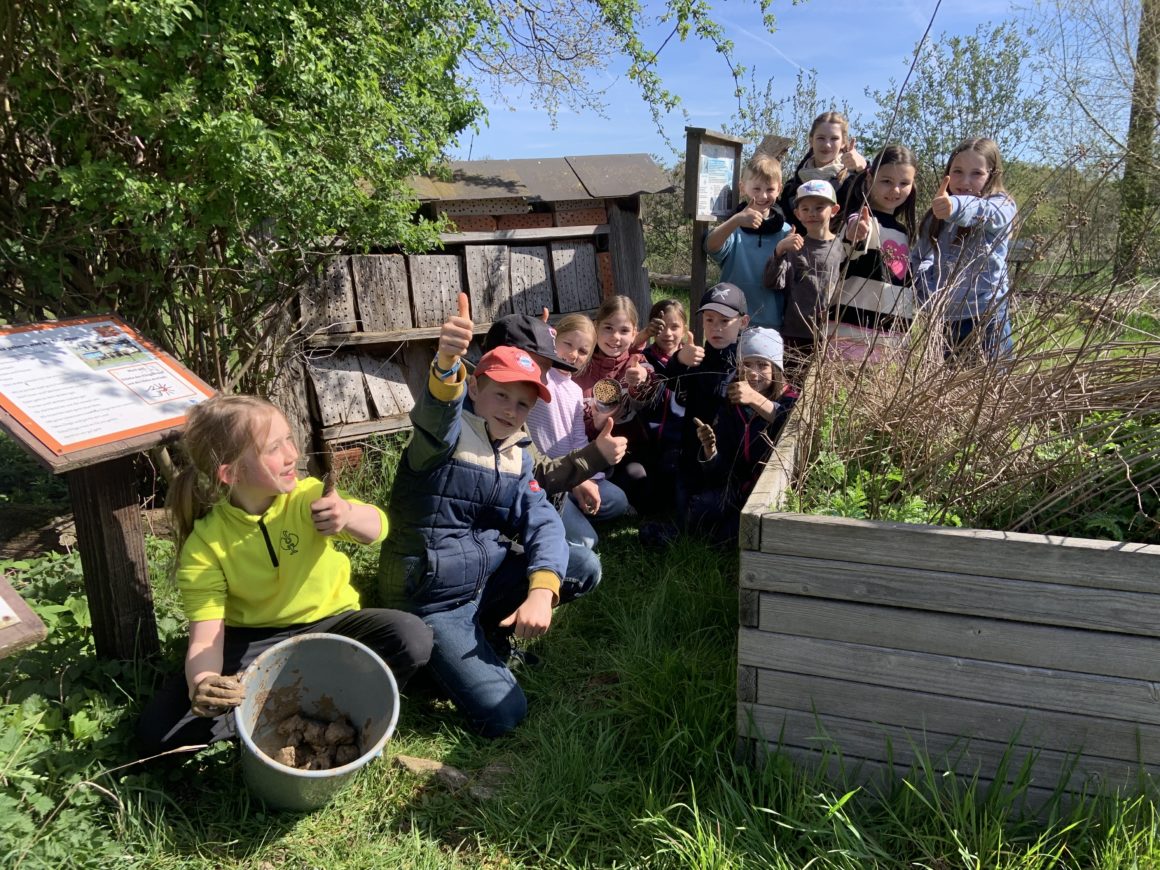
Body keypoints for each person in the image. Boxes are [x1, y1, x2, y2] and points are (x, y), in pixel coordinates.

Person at [137, 395, 432, 756]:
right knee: (156, 736)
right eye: (274, 448)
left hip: (332, 624)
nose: (292, 454)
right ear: (231, 473)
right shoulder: (206, 544)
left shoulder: (308, 497)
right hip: (256, 644)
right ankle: (316, 697)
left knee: (411, 636)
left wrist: (348, 515)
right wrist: (204, 682)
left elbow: (378, 529)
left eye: (289, 439)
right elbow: (206, 638)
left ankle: (278, 704)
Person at [377, 294, 579, 737]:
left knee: (578, 564)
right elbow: (436, 411)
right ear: (475, 388)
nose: (510, 410)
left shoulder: (516, 451)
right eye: (501, 395)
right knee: (503, 715)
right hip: (431, 595)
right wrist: (447, 362)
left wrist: (543, 590)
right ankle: (431, 662)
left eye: (523, 404)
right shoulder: (444, 438)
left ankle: (487, 633)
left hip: (481, 579)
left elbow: (542, 518)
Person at [525, 313, 629, 551]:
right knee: (587, 541)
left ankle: (570, 510)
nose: (573, 355)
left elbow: (578, 438)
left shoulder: (574, 390)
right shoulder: (540, 376)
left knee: (617, 501)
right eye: (567, 344)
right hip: (546, 478)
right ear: (554, 340)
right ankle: (551, 516)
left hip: (572, 473)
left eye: (582, 351)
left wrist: (585, 478)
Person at [688, 327, 798, 546]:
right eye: (747, 364)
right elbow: (722, 473)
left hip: (768, 493)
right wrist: (710, 450)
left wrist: (754, 399)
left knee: (732, 536)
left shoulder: (791, 399)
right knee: (699, 510)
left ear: (776, 368)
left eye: (762, 365)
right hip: (737, 489)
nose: (753, 372)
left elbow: (787, 423)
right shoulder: (731, 405)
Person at [913, 138, 1018, 361]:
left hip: (987, 317)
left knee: (990, 390)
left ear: (992, 175)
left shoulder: (1001, 204)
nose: (965, 181)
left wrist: (956, 207)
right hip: (946, 320)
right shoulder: (937, 215)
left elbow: (987, 212)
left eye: (977, 174)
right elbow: (922, 256)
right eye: (957, 171)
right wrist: (928, 290)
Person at [829, 145, 920, 363]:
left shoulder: (907, 233)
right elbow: (848, 245)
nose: (895, 190)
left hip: (891, 338)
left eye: (904, 183)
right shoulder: (862, 219)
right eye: (886, 181)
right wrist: (855, 232)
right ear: (869, 180)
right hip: (849, 332)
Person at [573, 295, 657, 512]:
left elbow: (647, 390)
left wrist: (640, 380)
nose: (615, 337)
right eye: (608, 328)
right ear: (596, 327)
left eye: (624, 331)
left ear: (634, 334)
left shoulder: (636, 363)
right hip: (583, 450)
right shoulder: (580, 362)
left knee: (638, 479)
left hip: (623, 454)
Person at [762, 178, 845, 383]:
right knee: (793, 390)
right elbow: (772, 282)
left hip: (832, 336)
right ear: (797, 213)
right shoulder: (794, 246)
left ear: (834, 209)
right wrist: (780, 250)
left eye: (819, 207)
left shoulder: (842, 247)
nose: (812, 213)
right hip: (795, 334)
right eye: (805, 208)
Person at [704, 152, 793, 329]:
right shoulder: (733, 227)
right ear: (742, 187)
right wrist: (736, 220)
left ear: (779, 189)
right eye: (756, 189)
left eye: (770, 189)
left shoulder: (785, 231)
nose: (763, 195)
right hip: (730, 319)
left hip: (771, 322)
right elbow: (710, 246)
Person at [631, 298, 692, 507]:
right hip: (647, 439)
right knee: (639, 483)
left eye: (675, 327)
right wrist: (643, 336)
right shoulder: (644, 358)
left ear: (685, 329)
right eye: (661, 327)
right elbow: (623, 355)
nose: (668, 334)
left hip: (678, 440)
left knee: (670, 477)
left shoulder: (692, 358)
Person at [778, 111, 867, 234]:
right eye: (821, 138)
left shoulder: (852, 183)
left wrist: (864, 169)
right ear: (811, 140)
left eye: (834, 138)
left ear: (843, 143)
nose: (827, 144)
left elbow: (877, 199)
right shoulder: (791, 188)